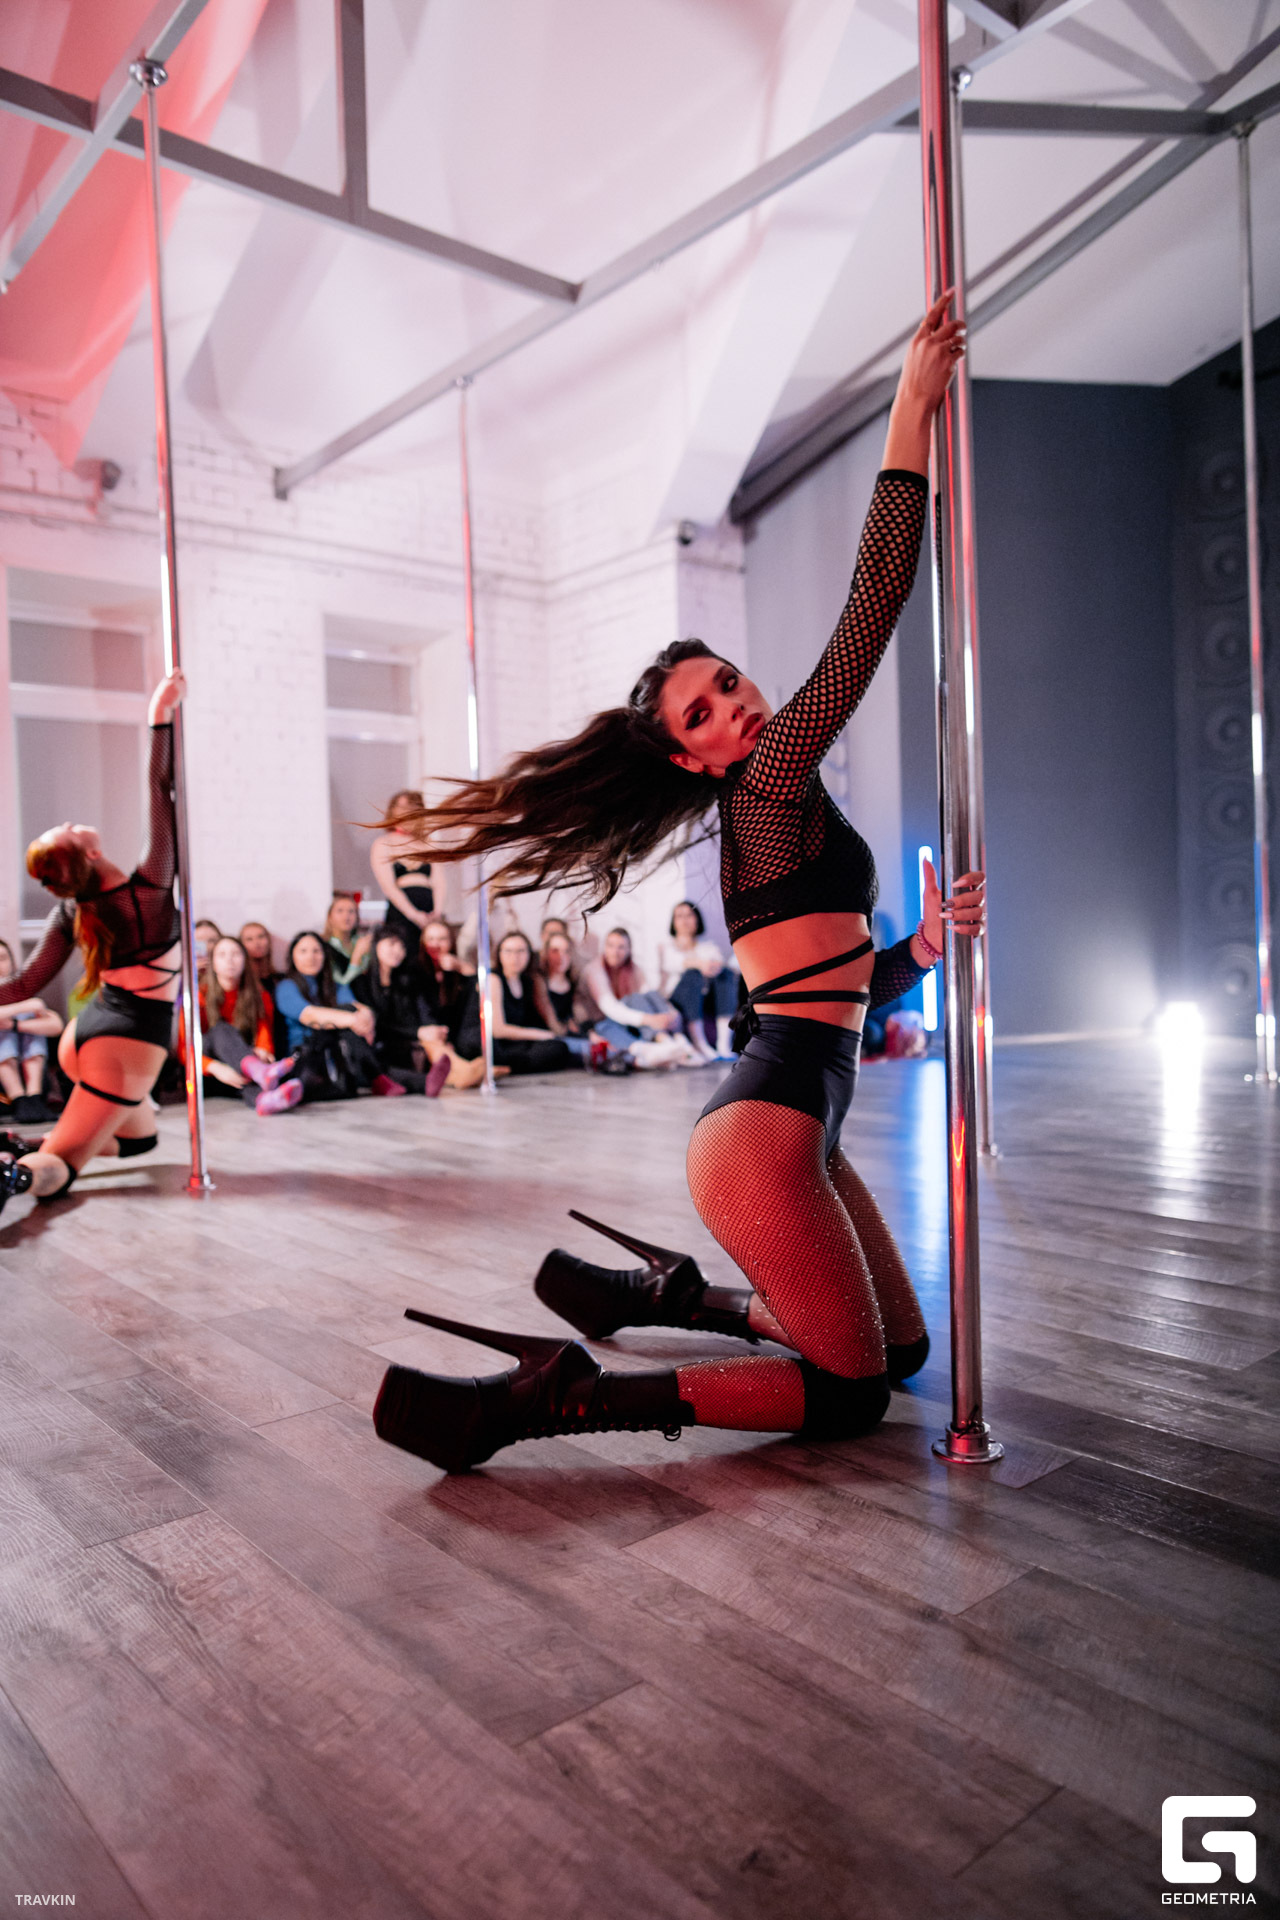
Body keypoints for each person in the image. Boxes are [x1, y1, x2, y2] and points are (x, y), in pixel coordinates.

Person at [369, 294, 985, 1472]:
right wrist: (907, 408)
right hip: (763, 1135)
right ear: (689, 758)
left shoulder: (780, 804)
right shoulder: (766, 785)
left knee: (899, 1352)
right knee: (847, 1395)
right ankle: (563, 1395)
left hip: (806, 1114)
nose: (734, 709)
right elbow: (872, 608)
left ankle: (672, 1294)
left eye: (729, 684)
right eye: (702, 714)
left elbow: (826, 997)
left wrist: (915, 954)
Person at [0, 671, 187, 1209]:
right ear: (88, 853)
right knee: (60, 1168)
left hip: (88, 1037)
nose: (70, 820)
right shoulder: (149, 890)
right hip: (124, 1046)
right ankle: (18, 1176)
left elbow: (24, 983)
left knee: (140, 1141)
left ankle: (34, 1143)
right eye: (68, 829)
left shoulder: (71, 913)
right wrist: (159, 714)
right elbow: (160, 790)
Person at [180, 934, 300, 1116]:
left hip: (243, 1071)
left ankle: (265, 1099)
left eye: (236, 954)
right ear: (213, 963)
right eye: (222, 955)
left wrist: (264, 1051)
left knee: (251, 1060)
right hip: (210, 1073)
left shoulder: (259, 996)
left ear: (245, 961)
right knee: (220, 1030)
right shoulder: (198, 996)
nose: (229, 960)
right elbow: (184, 1050)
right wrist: (216, 1068)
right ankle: (259, 1073)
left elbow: (264, 1032)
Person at [274, 932, 402, 1102]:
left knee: (349, 1011)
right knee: (346, 1014)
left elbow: (358, 1007)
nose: (311, 957)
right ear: (292, 956)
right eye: (303, 951)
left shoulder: (335, 986)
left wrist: (367, 1018)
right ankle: (377, 1076)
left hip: (336, 1055)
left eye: (316, 951)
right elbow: (309, 1015)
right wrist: (353, 1021)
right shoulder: (286, 987)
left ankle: (414, 1080)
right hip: (305, 1058)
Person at [351, 928, 451, 1096]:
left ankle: (463, 1071)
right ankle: (425, 1082)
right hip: (376, 1049)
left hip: (404, 1046)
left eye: (402, 947)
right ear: (376, 946)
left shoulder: (407, 982)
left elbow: (423, 1013)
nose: (397, 951)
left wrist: (434, 1031)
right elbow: (377, 1027)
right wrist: (418, 1032)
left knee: (435, 1045)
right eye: (391, 944)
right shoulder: (361, 983)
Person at [584, 927, 700, 1068]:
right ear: (604, 947)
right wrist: (648, 1019)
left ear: (629, 950)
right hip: (603, 1022)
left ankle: (671, 1041)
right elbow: (610, 1007)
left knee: (647, 996)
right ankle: (666, 1046)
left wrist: (670, 1013)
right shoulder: (594, 970)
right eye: (610, 946)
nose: (615, 952)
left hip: (629, 1022)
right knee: (611, 1021)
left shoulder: (634, 969)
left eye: (621, 947)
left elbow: (648, 994)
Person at [415, 919, 498, 1091]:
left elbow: (474, 1001)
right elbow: (422, 1012)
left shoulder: (455, 971)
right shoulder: (415, 972)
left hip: (455, 1035)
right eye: (431, 939)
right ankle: (468, 1073)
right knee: (434, 1044)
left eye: (442, 939)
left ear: (451, 942)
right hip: (428, 1033)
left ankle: (473, 1070)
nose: (436, 944)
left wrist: (462, 968)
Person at [657, 900, 738, 1062]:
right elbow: (672, 963)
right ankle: (699, 1043)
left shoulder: (708, 946)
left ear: (697, 919)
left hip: (705, 998)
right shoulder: (666, 946)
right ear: (674, 922)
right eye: (680, 916)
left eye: (689, 915)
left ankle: (723, 1044)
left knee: (726, 974)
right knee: (692, 974)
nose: (685, 920)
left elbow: (717, 963)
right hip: (677, 1001)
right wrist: (700, 964)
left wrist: (711, 967)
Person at [483, 931, 571, 1076]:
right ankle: (500, 1068)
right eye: (508, 951)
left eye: (520, 951)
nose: (515, 957)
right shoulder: (494, 979)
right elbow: (498, 1029)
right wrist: (538, 1035)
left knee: (558, 1048)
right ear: (499, 954)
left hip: (513, 1043)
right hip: (491, 1041)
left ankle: (506, 1069)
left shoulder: (526, 982)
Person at [0, 938, 62, 1123]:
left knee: (28, 1021)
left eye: (2, 958)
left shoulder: (22, 994)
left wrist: (15, 1025)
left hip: (32, 1081)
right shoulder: (26, 1001)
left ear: (12, 962)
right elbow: (35, 1005)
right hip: (2, 1093)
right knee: (7, 1028)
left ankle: (32, 1097)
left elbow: (56, 1025)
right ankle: (19, 1098)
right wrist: (27, 1006)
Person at [370, 791, 436, 949]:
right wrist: (413, 914)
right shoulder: (383, 843)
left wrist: (437, 912)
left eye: (413, 807)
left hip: (429, 910)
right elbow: (388, 886)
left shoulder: (428, 843)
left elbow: (439, 881)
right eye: (402, 807)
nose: (407, 812)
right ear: (392, 810)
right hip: (401, 912)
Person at [536, 929, 602, 1062]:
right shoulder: (539, 981)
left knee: (601, 1040)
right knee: (593, 1050)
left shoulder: (572, 980)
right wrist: (581, 1035)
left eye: (566, 951)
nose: (561, 956)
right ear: (546, 953)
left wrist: (589, 1032)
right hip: (551, 1039)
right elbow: (552, 1023)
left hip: (572, 1035)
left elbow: (579, 1013)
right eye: (555, 951)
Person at [322, 892, 373, 987]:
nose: (346, 916)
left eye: (351, 911)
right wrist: (357, 956)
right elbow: (340, 986)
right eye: (340, 911)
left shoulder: (361, 941)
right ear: (330, 917)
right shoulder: (324, 946)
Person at [239, 921, 280, 990]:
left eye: (261, 937)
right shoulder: (240, 980)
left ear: (269, 940)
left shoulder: (281, 980)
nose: (257, 943)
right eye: (249, 939)